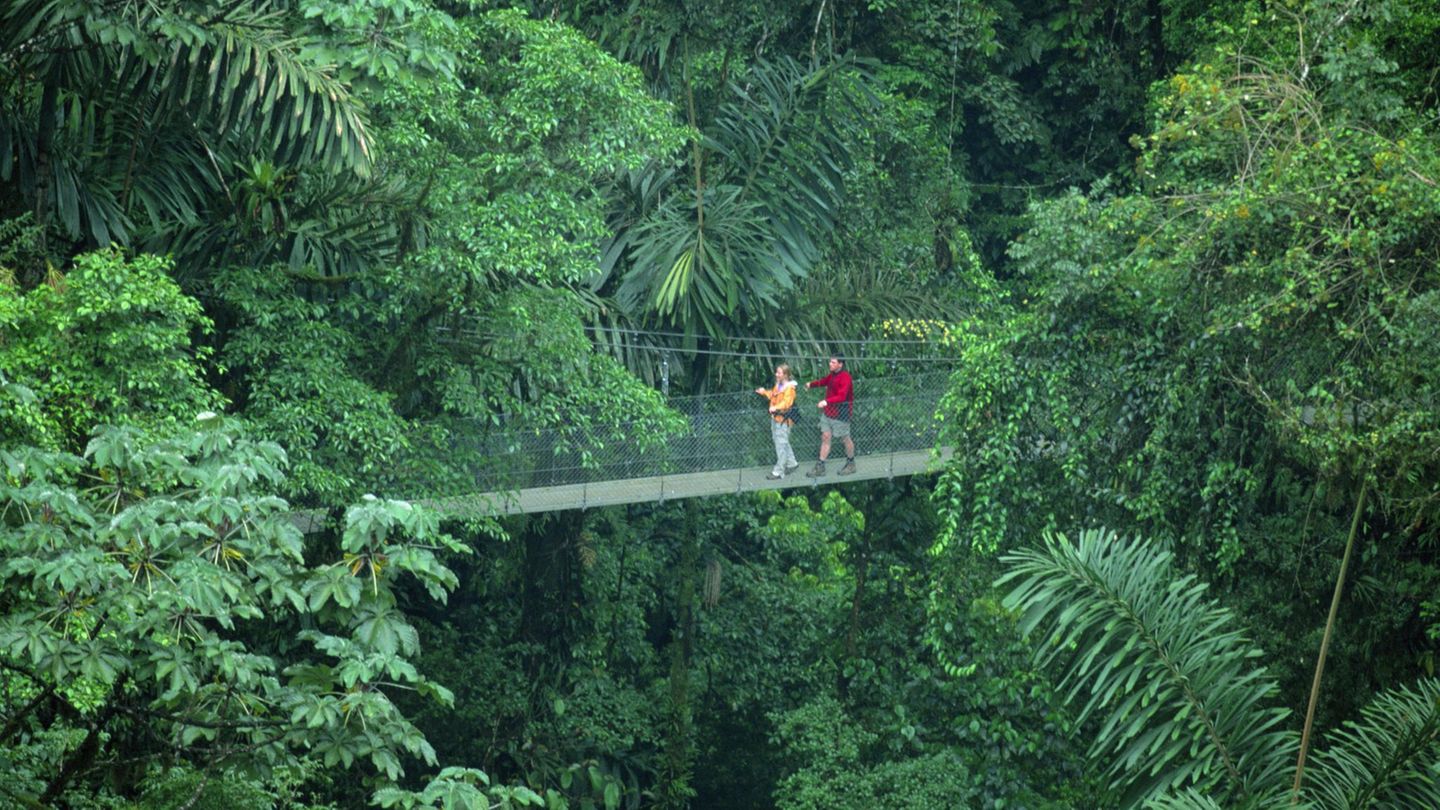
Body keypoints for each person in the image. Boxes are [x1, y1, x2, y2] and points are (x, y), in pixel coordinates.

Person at [806, 355, 855, 476]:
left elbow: (842, 396)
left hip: (841, 414)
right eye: (830, 362)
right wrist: (811, 384)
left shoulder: (845, 377)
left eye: (833, 362)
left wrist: (826, 401)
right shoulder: (832, 375)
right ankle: (820, 466)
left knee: (845, 438)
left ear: (840, 364)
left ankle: (851, 463)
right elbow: (824, 381)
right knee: (825, 437)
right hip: (828, 413)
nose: (830, 364)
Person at [755, 363, 800, 479]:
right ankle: (792, 463)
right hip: (776, 418)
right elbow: (773, 395)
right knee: (781, 442)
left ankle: (779, 471)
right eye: (777, 372)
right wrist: (764, 392)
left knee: (781, 445)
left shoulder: (790, 389)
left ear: (785, 375)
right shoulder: (778, 385)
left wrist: (776, 407)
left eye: (779, 373)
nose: (776, 374)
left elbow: (787, 403)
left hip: (784, 420)